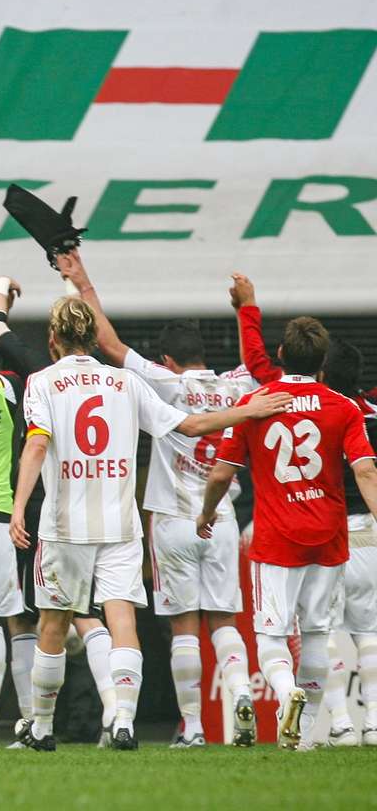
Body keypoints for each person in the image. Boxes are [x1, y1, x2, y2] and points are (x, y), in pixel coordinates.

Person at [10, 296, 290, 752]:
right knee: (122, 619)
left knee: (53, 625)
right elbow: (193, 425)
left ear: (53, 339)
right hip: (120, 525)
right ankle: (123, 720)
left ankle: (40, 727)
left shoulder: (42, 382)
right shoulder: (126, 383)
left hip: (64, 526)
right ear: (91, 340)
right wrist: (247, 411)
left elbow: (38, 446)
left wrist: (20, 506)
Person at [59, 251, 259, 747]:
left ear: (168, 360)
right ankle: (239, 697)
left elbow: (107, 342)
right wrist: (245, 308)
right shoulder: (238, 386)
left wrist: (82, 279)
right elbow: (255, 362)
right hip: (223, 516)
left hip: (173, 519)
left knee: (183, 627)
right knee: (224, 622)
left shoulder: (166, 382)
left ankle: (191, 727)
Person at [202, 313, 377, 751]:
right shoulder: (344, 407)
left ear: (281, 354)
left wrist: (206, 512)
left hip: (277, 538)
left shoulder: (257, 402)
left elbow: (222, 474)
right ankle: (307, 731)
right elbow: (365, 472)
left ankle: (287, 698)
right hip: (330, 536)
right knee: (319, 634)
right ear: (322, 361)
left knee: (272, 634)